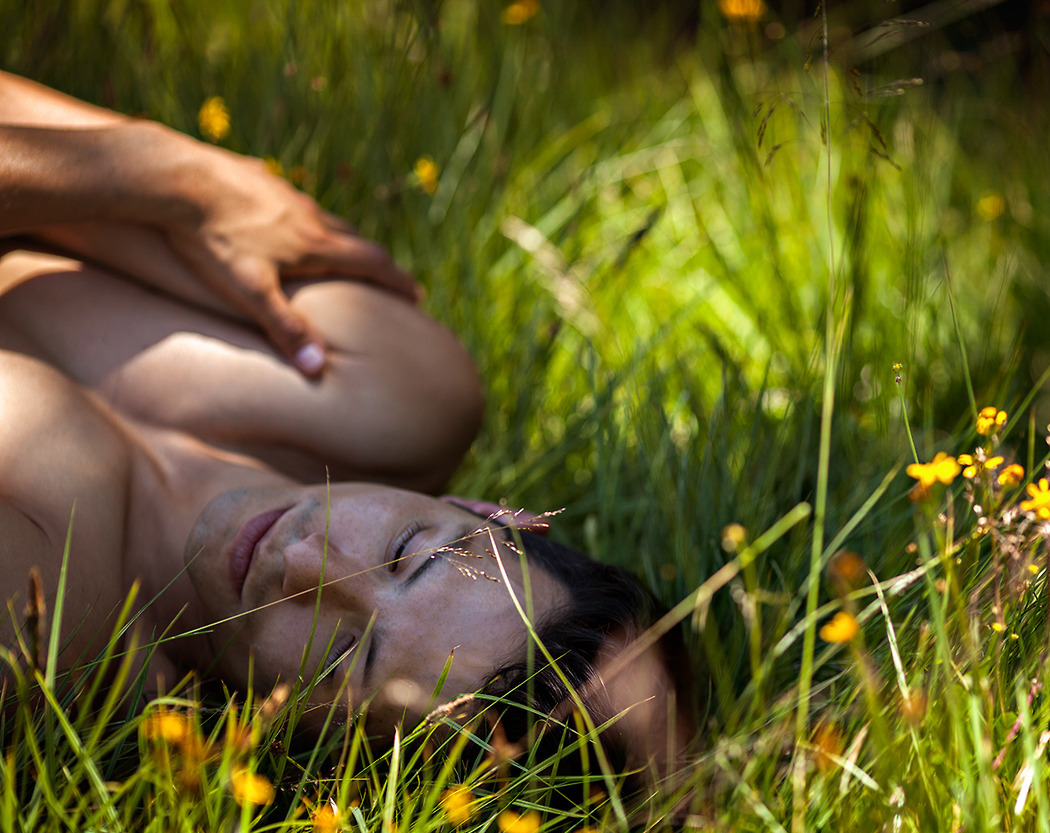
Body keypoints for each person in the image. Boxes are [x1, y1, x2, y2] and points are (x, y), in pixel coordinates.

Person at [0, 71, 683, 781]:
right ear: (484, 511)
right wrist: (163, 172)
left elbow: (94, 172)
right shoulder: (390, 390)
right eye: (404, 552)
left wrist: (170, 174)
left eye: (344, 654)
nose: (304, 563)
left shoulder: (41, 622)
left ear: (321, 746)